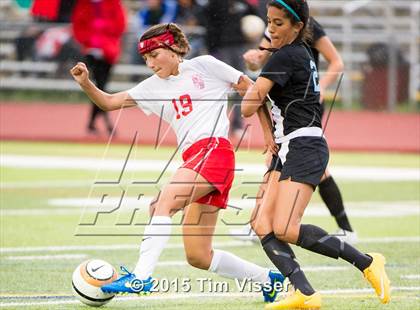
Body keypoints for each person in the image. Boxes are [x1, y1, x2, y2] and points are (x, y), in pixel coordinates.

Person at [70, 23, 284, 303]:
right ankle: (268, 279)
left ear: (173, 50)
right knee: (198, 255)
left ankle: (141, 277)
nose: (149, 63)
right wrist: (86, 83)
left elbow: (253, 90)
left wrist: (269, 134)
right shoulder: (153, 86)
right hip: (196, 159)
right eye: (145, 59)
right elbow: (109, 102)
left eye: (154, 55)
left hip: (214, 152)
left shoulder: (205, 65)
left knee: (162, 205)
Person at [241, 1, 390, 309]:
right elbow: (264, 101)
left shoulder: (285, 55)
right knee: (261, 223)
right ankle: (305, 293)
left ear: (298, 28)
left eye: (279, 23)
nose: (270, 28)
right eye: (269, 21)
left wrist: (247, 83)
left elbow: (246, 107)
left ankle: (366, 262)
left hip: (304, 146)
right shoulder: (293, 53)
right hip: (288, 147)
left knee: (284, 227)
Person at [231, 12, 357, 245]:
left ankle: (346, 229)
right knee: (275, 159)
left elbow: (337, 62)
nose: (273, 25)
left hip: (303, 102)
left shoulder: (307, 26)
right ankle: (260, 223)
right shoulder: (274, 23)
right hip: (283, 101)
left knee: (316, 169)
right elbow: (263, 59)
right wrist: (253, 61)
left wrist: (319, 91)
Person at [71, 0, 126, 135]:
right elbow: (78, 26)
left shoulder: (113, 3)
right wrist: (90, 38)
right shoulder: (83, 4)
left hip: (108, 51)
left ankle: (93, 123)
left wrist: (103, 27)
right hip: (91, 50)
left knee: (100, 87)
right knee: (100, 86)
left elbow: (120, 25)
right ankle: (106, 123)